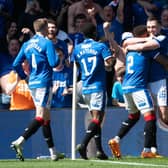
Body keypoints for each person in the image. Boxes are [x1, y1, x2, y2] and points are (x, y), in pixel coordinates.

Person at [108, 26, 168, 159]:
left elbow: (126, 43)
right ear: (144, 35)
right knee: (150, 117)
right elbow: (164, 62)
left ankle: (116, 139)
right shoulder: (146, 50)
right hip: (138, 87)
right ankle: (147, 150)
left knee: (133, 116)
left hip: (126, 87)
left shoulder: (129, 51)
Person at [10, 18, 60, 161]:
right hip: (44, 82)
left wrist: (24, 77)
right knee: (40, 116)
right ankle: (20, 141)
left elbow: (15, 63)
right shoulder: (46, 43)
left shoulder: (26, 44)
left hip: (32, 83)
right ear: (44, 29)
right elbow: (54, 63)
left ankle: (53, 153)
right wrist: (57, 56)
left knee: (46, 118)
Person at [125, 17, 168, 154]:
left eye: (153, 27)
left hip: (159, 81)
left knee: (164, 116)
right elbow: (126, 40)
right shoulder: (147, 38)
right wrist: (130, 43)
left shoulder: (161, 38)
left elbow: (142, 46)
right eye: (148, 27)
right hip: (145, 82)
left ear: (160, 27)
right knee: (150, 117)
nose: (151, 30)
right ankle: (152, 148)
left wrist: (130, 47)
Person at [71, 23, 114, 160]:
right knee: (97, 119)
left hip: (85, 86)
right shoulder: (100, 46)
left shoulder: (77, 49)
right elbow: (109, 64)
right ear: (95, 33)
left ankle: (100, 151)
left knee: (95, 120)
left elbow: (76, 65)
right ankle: (83, 144)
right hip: (97, 86)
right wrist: (111, 58)